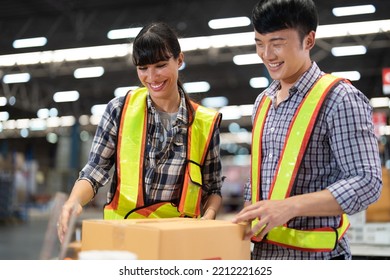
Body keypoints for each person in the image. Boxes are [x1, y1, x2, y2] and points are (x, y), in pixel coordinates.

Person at [232, 0, 382, 260]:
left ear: (309, 40)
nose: (267, 54)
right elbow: (260, 179)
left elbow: (367, 181)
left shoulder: (340, 98)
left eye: (277, 43)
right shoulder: (263, 102)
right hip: (264, 257)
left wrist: (289, 207)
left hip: (317, 258)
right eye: (259, 43)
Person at [58, 22, 223, 243]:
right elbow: (95, 171)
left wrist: (208, 218)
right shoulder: (119, 110)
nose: (151, 77)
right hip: (123, 238)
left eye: (160, 65)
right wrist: (74, 201)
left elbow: (213, 188)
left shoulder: (205, 123)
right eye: (143, 68)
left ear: (180, 60)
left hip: (179, 242)